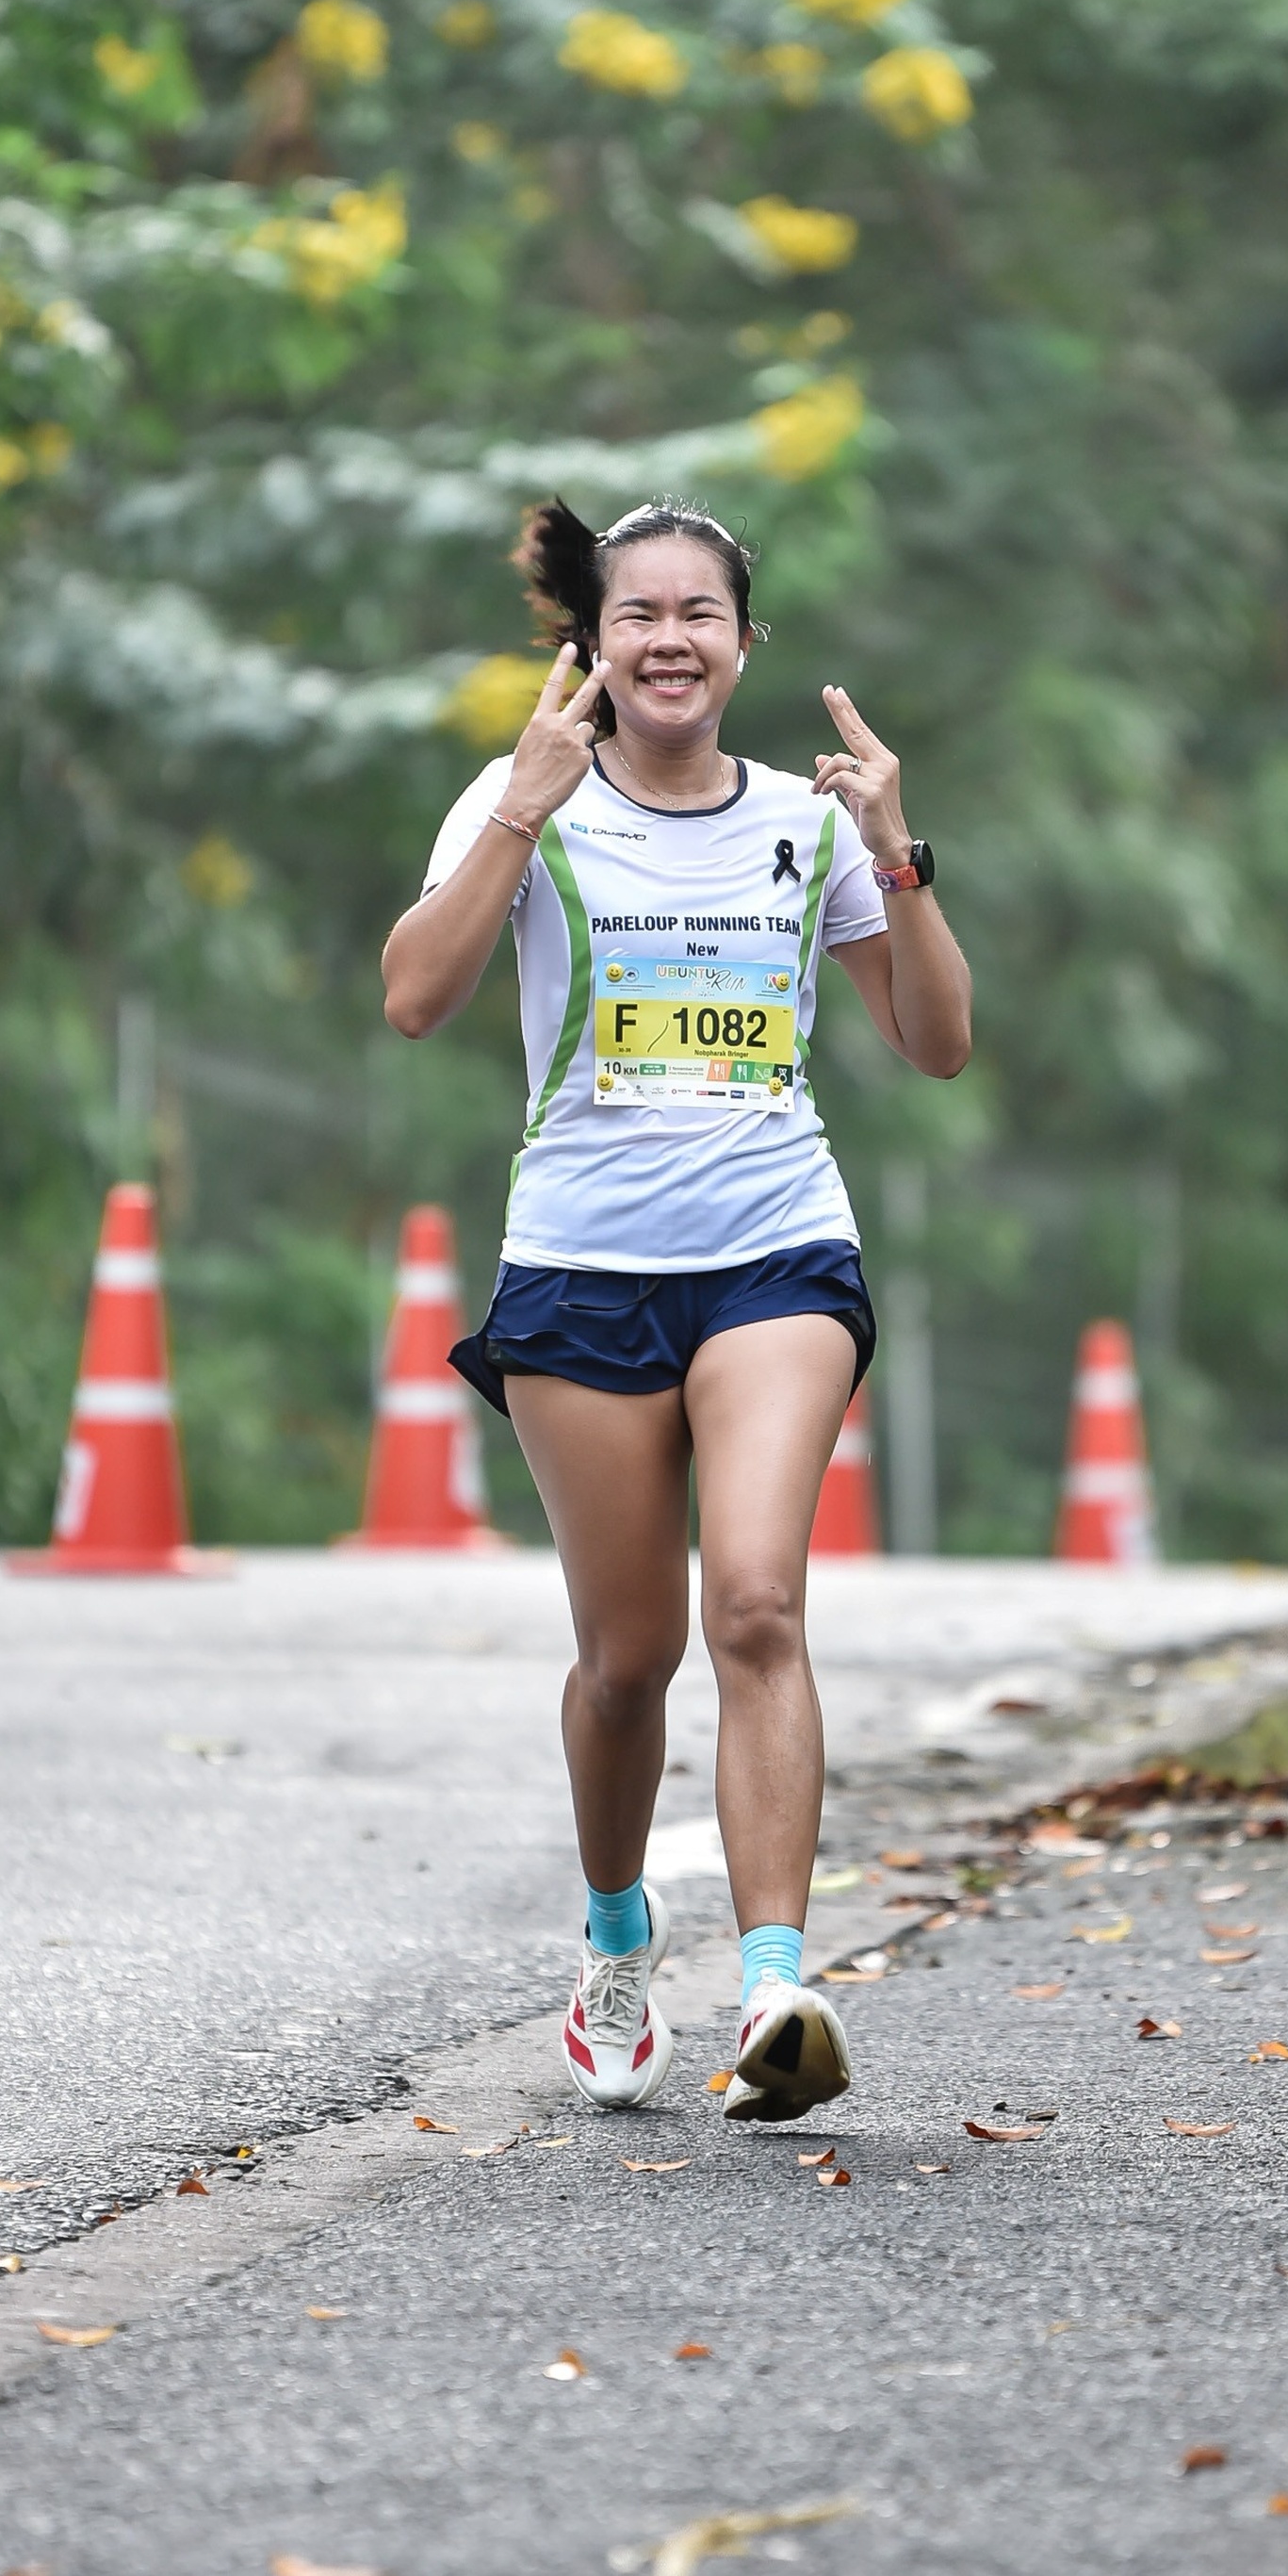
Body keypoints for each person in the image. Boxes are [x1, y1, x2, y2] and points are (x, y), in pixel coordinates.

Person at [382, 497, 972, 2121]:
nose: (667, 639)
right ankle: (616, 1938)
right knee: (627, 1660)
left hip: (775, 1250)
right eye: (636, 613)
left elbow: (936, 1044)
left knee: (759, 1606)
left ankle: (776, 1986)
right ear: (592, 640)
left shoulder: (805, 822)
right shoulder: (521, 798)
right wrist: (519, 812)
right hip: (580, 1269)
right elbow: (415, 998)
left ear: (742, 644)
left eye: (698, 613)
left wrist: (897, 852)